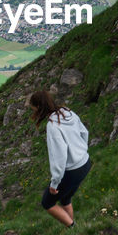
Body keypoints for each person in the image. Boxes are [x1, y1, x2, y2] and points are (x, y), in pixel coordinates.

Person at [29, 89, 91, 227]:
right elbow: (84, 132)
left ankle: (74, 229)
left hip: (73, 170)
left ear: (39, 108)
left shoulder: (53, 126)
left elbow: (59, 157)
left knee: (47, 203)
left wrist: (54, 183)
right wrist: (80, 152)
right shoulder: (68, 112)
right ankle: (71, 231)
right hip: (85, 163)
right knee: (65, 198)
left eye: (33, 109)